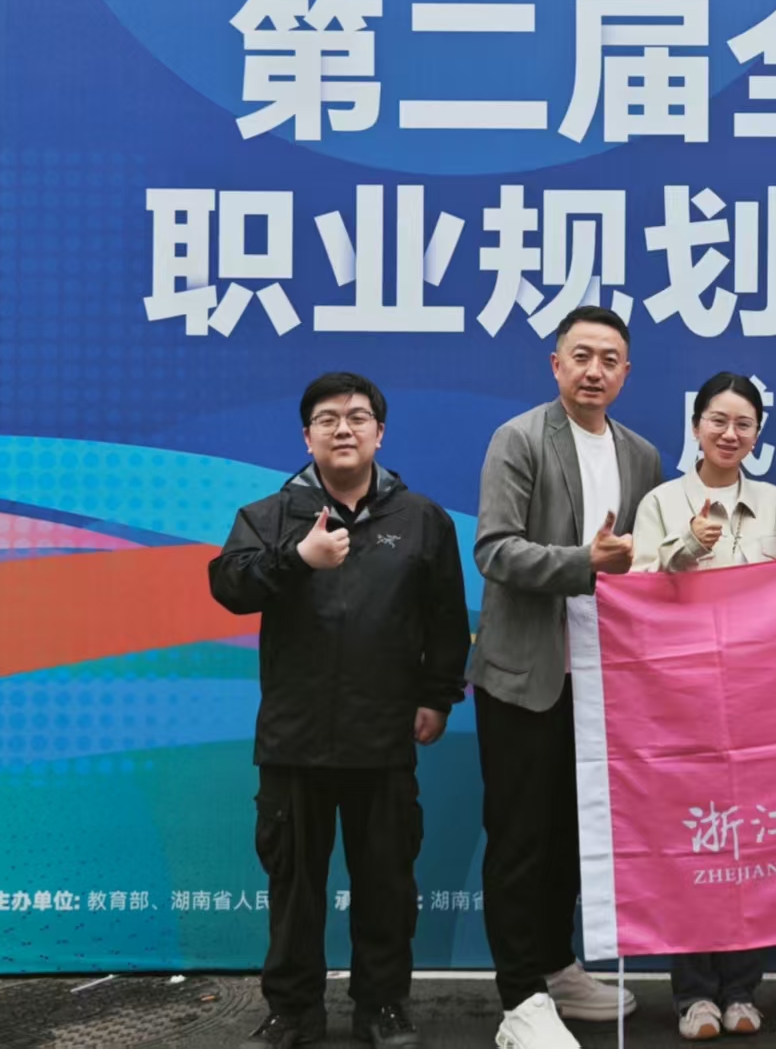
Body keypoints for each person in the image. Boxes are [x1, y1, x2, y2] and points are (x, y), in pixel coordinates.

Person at [208, 372, 470, 1049]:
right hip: (294, 738)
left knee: (386, 883)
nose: (343, 428)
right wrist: (298, 558)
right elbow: (229, 585)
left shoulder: (422, 519)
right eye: (327, 418)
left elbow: (446, 618)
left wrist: (436, 696)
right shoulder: (270, 516)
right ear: (308, 437)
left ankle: (383, 1005)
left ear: (380, 432)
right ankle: (293, 1011)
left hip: (383, 736)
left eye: (357, 416)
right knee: (293, 886)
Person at [474, 307, 664, 1049]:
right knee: (520, 836)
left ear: (626, 372)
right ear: (555, 364)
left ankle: (556, 965)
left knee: (573, 832)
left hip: (605, 679)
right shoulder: (519, 438)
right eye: (580, 356)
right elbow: (495, 550)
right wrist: (585, 562)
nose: (594, 371)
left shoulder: (641, 455)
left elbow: (649, 560)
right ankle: (519, 999)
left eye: (609, 359)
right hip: (528, 674)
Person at [630, 372, 776, 1039]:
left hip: (758, 700)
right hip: (680, 700)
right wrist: (689, 545)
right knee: (690, 842)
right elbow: (637, 593)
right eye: (718, 421)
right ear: (695, 425)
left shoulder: (774, 502)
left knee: (750, 845)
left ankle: (742, 987)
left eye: (744, 423)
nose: (730, 434)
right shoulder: (660, 502)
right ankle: (694, 993)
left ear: (757, 434)